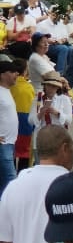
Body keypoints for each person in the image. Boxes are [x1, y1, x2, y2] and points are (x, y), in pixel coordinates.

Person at [0, 56, 19, 191]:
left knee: (4, 183)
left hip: (10, 143)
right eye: (12, 71)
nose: (16, 74)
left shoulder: (7, 91)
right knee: (11, 181)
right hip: (3, 144)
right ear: (2, 75)